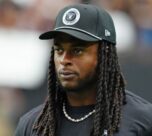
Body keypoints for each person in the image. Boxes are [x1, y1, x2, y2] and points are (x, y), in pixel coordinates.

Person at [15, 4, 152, 136]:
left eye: (77, 50)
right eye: (59, 50)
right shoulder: (33, 124)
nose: (64, 59)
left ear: (105, 54)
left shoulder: (142, 121)